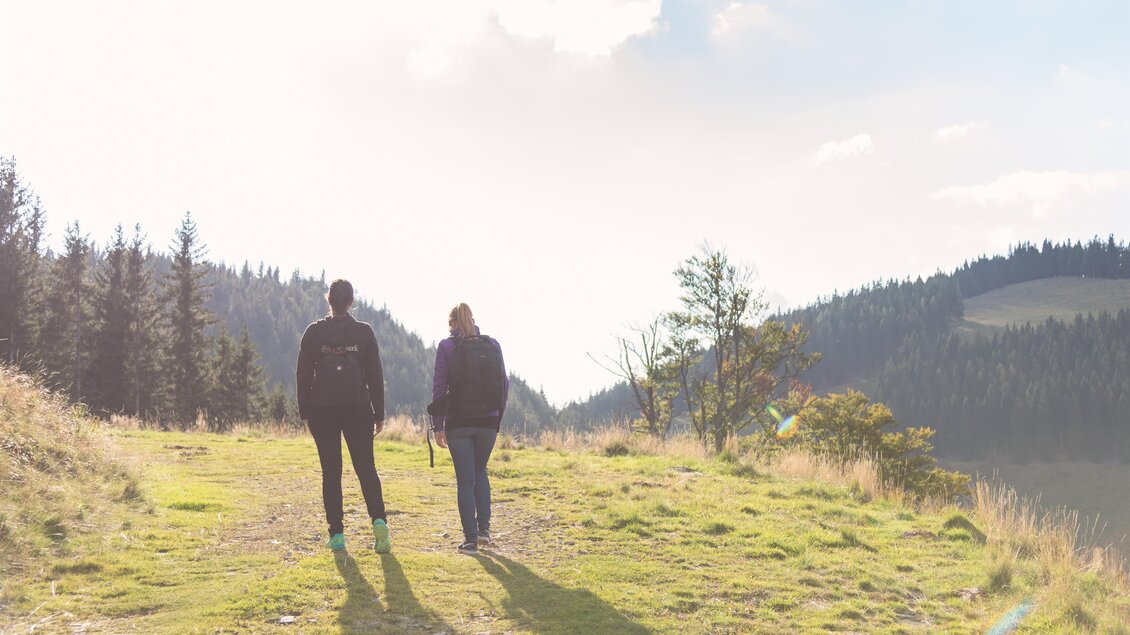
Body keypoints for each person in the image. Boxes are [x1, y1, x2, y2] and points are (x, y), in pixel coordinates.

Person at [296, 279, 391, 553]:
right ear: (351, 302)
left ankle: (337, 535)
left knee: (331, 472)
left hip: (322, 412)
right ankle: (380, 525)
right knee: (366, 470)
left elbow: (303, 374)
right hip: (358, 409)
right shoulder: (363, 332)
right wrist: (379, 413)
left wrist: (305, 411)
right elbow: (375, 374)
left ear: (329, 300)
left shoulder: (314, 333)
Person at [431, 302, 509, 555]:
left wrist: (438, 425)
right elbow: (504, 385)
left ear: (453, 323)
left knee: (465, 480)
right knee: (480, 471)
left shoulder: (446, 346)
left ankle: (470, 540)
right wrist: (497, 417)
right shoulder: (492, 345)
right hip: (488, 421)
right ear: (473, 320)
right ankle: (484, 531)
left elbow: (439, 387)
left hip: (459, 422)